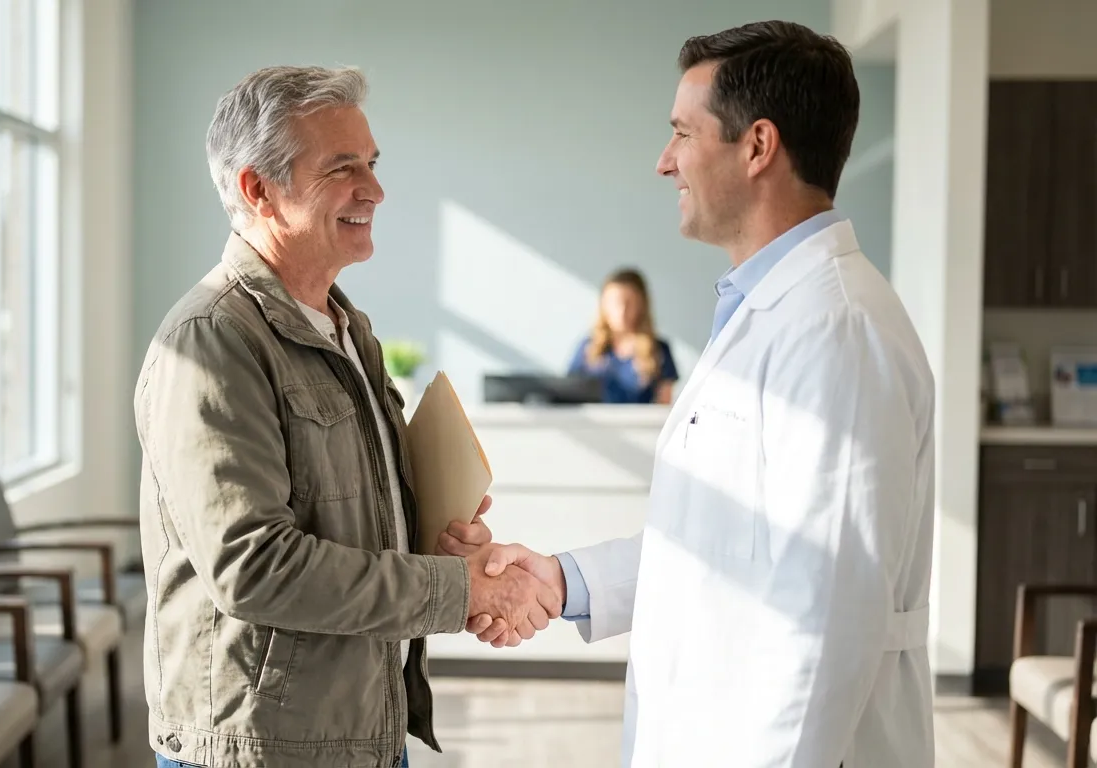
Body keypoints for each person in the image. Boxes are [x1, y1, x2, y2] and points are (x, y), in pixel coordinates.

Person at [445, 20, 936, 768]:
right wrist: (564, 581)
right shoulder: (763, 308)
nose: (663, 161)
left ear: (758, 146)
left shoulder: (835, 327)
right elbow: (719, 545)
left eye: (682, 133)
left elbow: (829, 615)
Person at [133, 65, 560, 768]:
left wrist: (438, 538)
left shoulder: (346, 329)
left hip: (359, 729)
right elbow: (255, 566)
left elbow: (345, 516)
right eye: (342, 168)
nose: (375, 190)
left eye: (371, 163)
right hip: (261, 750)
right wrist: (459, 592)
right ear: (257, 189)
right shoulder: (211, 341)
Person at [566, 268, 678, 404]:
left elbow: (663, 409)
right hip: (595, 424)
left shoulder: (658, 351)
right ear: (603, 305)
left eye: (629, 302)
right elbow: (568, 396)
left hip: (641, 424)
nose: (622, 311)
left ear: (642, 304)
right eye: (615, 302)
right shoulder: (588, 347)